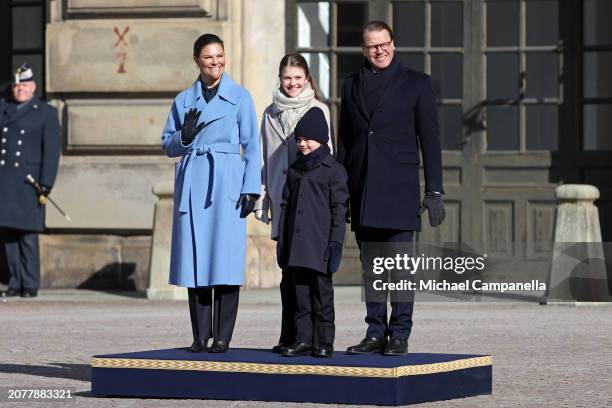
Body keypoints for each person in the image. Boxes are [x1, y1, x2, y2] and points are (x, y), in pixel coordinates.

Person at [337, 21, 446, 356]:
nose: (379, 50)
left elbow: (430, 140)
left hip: (399, 190)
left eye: (384, 44)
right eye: (372, 46)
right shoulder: (351, 85)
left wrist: (435, 190)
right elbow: (345, 142)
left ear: (393, 45)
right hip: (363, 188)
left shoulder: (417, 83)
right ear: (364, 50)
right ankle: (374, 332)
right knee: (372, 268)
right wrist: (339, 193)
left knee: (399, 266)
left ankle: (399, 333)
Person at [161, 34, 260, 353]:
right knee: (197, 260)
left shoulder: (240, 97)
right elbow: (167, 145)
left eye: (220, 56)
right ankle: (200, 335)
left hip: (227, 182)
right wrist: (184, 138)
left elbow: (252, 145)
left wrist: (250, 187)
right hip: (194, 182)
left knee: (226, 261)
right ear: (196, 61)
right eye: (209, 58)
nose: (216, 62)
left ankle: (223, 336)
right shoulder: (182, 101)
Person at [254, 54, 333, 353]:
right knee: (288, 273)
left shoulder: (318, 109)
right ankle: (290, 335)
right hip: (283, 199)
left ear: (308, 78)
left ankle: (313, 338)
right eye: (287, 78)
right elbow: (264, 158)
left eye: (298, 78)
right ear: (280, 78)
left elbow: (329, 155)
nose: (293, 83)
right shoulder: (269, 113)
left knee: (311, 274)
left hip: (311, 201)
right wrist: (262, 198)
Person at [276, 107, 348, 358]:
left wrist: (335, 244)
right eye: (299, 140)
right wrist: (282, 243)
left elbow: (339, 212)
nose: (303, 144)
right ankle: (303, 340)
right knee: (301, 297)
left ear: (321, 138)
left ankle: (325, 341)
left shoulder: (334, 171)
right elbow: (285, 207)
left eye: (307, 139)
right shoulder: (295, 170)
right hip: (297, 246)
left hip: (320, 247)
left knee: (323, 298)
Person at [0, 64, 61, 298]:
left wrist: (46, 183)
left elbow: (51, 151)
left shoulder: (44, 112)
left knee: (27, 235)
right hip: (5, 181)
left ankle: (31, 282)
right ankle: (15, 281)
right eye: (16, 85)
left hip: (28, 182)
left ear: (33, 86)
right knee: (8, 236)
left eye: (24, 85)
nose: (20, 89)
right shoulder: (3, 109)